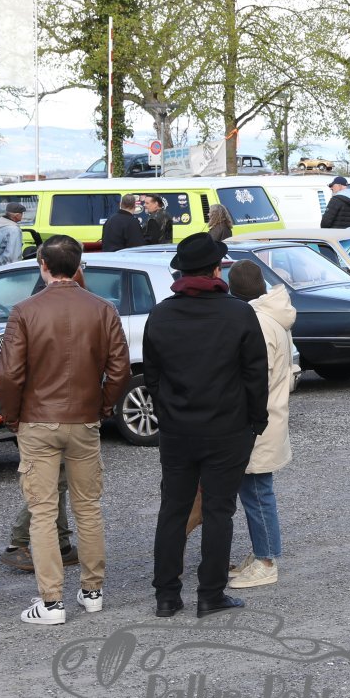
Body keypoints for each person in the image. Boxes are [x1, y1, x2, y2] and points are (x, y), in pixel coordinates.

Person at [0, 235, 130, 625]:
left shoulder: (25, 310)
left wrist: (12, 417)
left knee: (42, 511)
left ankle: (52, 602)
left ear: (42, 264)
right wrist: (102, 406)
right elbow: (119, 369)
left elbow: (9, 374)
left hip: (37, 419)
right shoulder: (102, 309)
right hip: (83, 419)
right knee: (88, 507)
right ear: (78, 266)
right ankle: (92, 591)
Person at [146, 233, 269, 618]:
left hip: (178, 430)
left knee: (174, 509)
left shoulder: (161, 314)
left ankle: (167, 596)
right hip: (227, 429)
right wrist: (257, 420)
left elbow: (152, 376)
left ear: (181, 272)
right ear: (217, 270)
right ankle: (210, 594)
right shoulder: (238, 313)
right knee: (218, 511)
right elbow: (255, 374)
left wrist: (168, 413)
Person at [226, 261, 296, 589]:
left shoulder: (258, 321)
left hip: (257, 419)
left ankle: (266, 560)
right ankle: (261, 553)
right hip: (270, 415)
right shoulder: (273, 315)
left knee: (257, 490)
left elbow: (256, 377)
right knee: (255, 489)